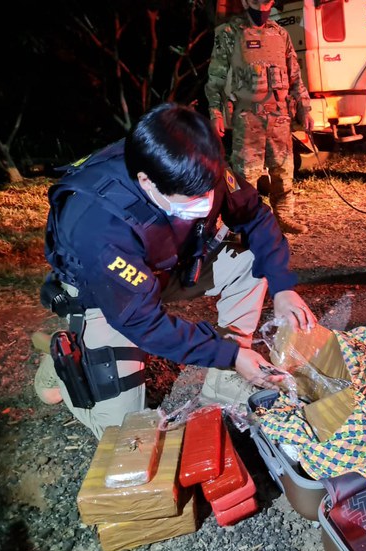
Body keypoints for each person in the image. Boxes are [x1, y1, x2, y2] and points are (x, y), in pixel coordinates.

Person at [34, 102, 317, 439]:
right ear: (146, 182)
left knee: (246, 263)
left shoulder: (195, 164)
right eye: (191, 199)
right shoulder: (100, 225)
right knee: (124, 431)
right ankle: (63, 360)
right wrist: (226, 352)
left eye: (209, 191)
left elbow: (255, 215)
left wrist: (283, 286)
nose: (206, 203)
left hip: (166, 269)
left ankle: (224, 376)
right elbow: (143, 322)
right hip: (105, 296)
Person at [205, 0, 313, 235]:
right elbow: (215, 78)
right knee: (246, 174)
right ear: (245, 2)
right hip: (248, 117)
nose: (261, 5)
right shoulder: (228, 33)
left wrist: (304, 107)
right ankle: (247, 222)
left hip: (279, 115)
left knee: (283, 169)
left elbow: (295, 75)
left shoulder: (280, 34)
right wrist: (215, 113)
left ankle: (284, 217)